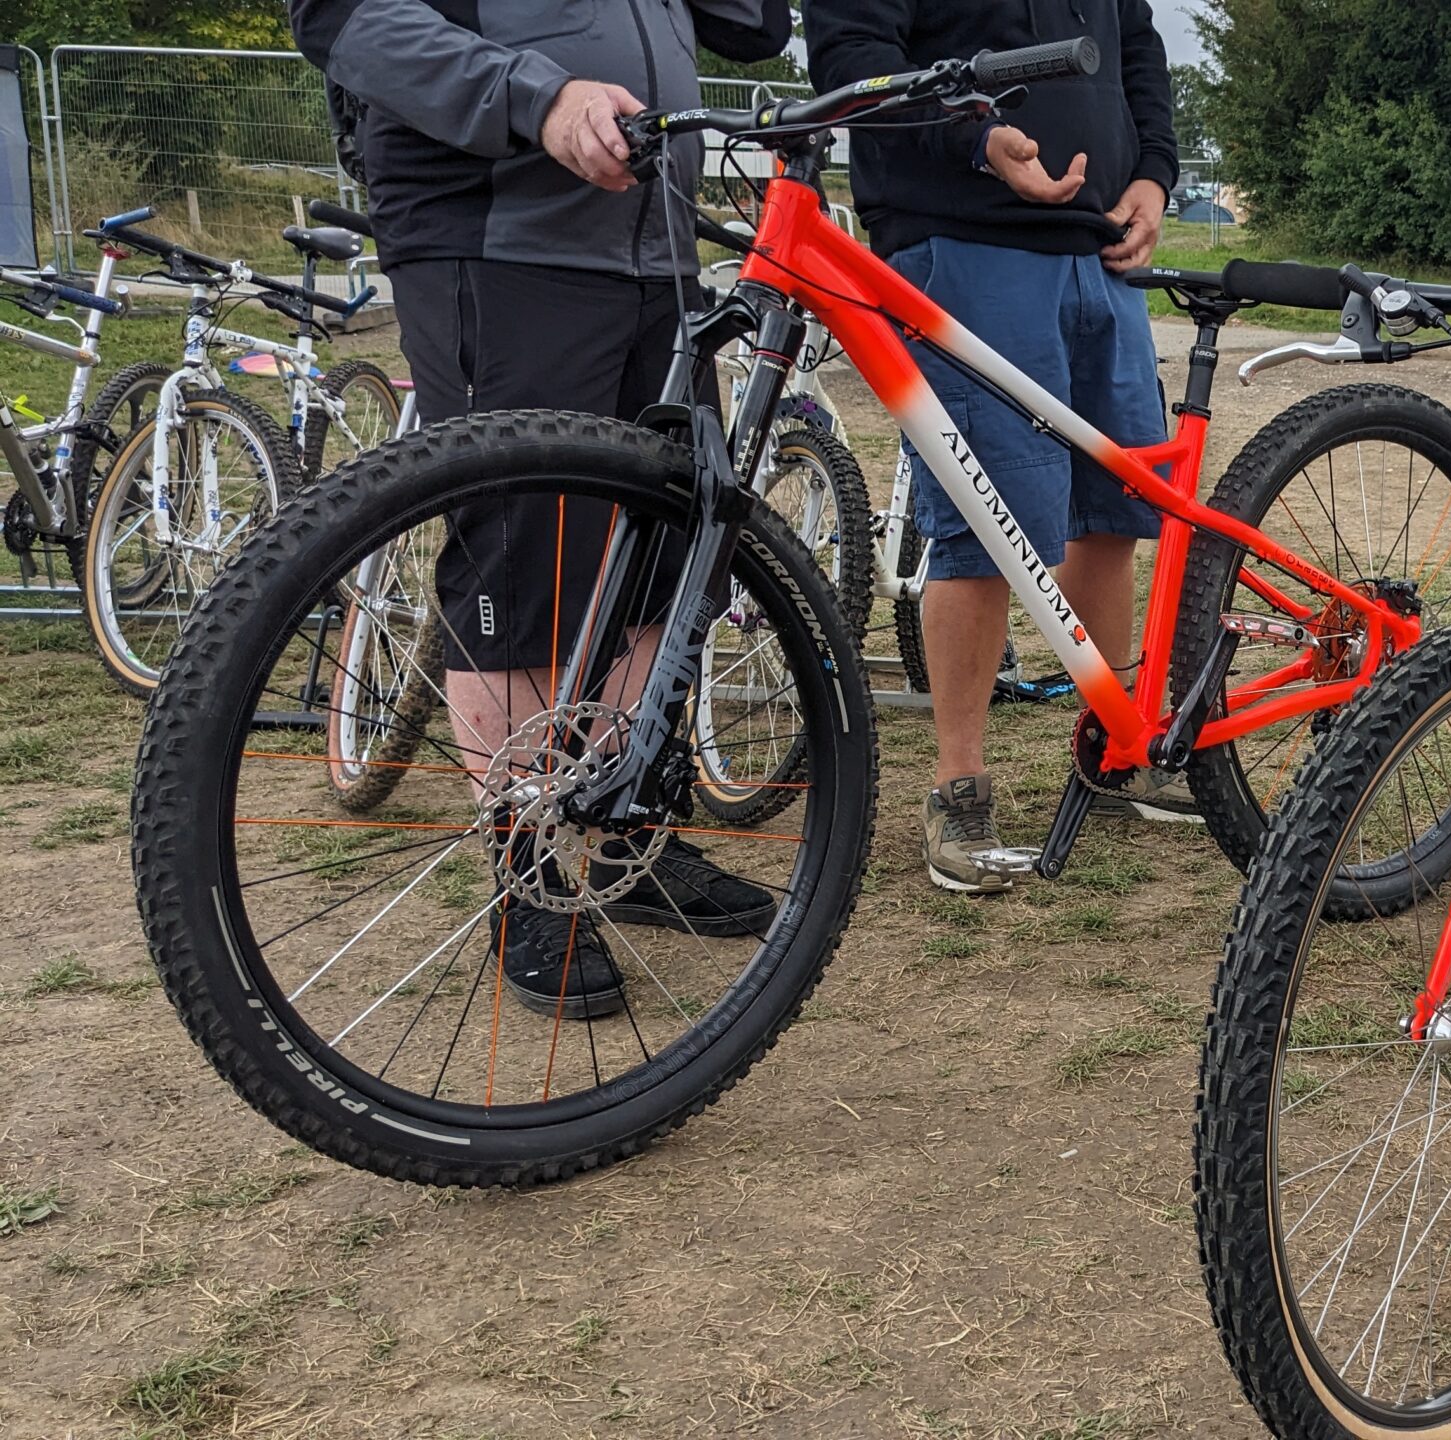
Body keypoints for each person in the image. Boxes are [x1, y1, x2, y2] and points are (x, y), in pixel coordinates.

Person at [290, 0, 792, 1017]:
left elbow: (755, 28)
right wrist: (539, 96)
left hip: (655, 247)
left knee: (667, 554)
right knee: (525, 561)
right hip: (497, 238)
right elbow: (346, 19)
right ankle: (530, 867)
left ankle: (626, 834)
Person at [806, 0, 1187, 895]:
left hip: (1099, 251)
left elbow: (1136, 43)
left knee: (1112, 511)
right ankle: (958, 786)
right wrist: (976, 142)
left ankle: (1116, 744)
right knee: (982, 523)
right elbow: (854, 56)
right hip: (964, 237)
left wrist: (1157, 175)